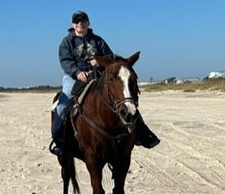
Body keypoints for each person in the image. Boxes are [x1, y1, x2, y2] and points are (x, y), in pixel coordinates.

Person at [50, 10, 161, 156]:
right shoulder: (67, 42)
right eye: (77, 22)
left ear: (88, 23)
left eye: (83, 21)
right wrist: (77, 72)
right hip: (75, 76)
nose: (80, 24)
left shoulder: (97, 40)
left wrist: (99, 60)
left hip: (98, 74)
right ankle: (58, 138)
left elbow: (110, 57)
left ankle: (142, 133)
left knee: (124, 99)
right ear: (73, 25)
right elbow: (65, 60)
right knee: (63, 103)